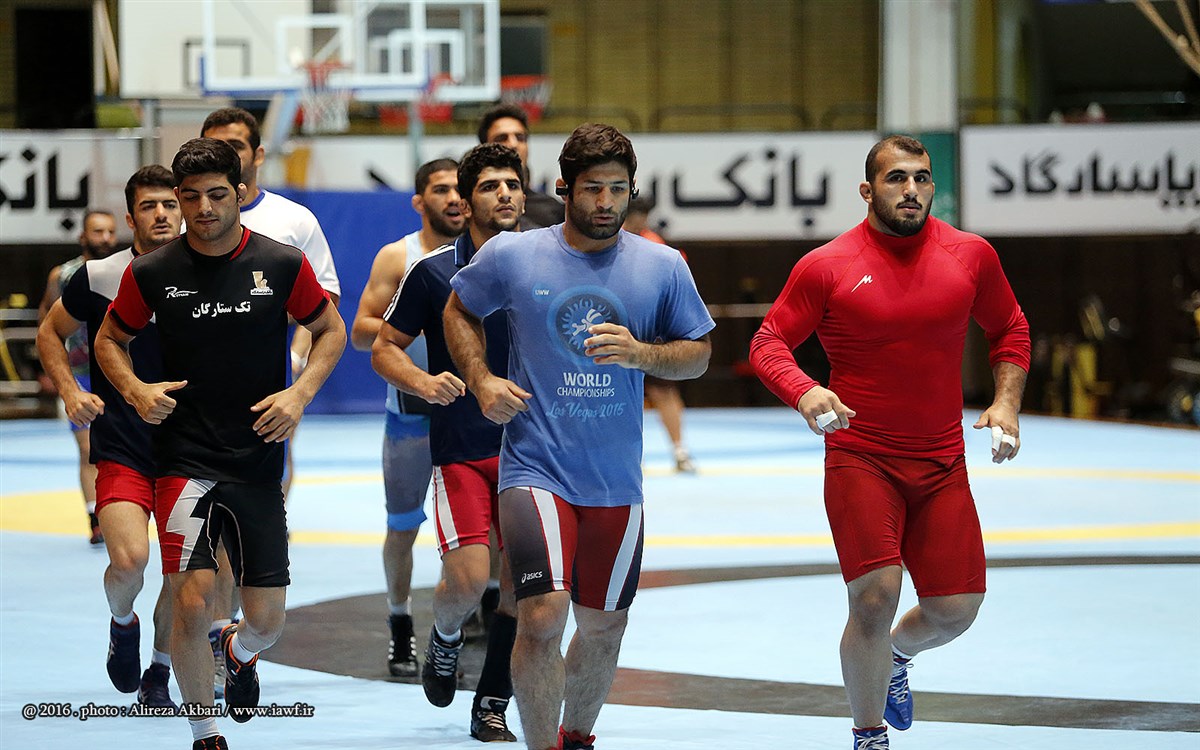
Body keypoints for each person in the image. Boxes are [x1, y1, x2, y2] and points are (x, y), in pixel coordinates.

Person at [749, 135, 1031, 750]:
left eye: (922, 178)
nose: (911, 189)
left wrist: (1006, 400)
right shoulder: (827, 265)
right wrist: (804, 390)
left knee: (956, 610)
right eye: (896, 178)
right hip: (861, 456)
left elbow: (1009, 326)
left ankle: (898, 656)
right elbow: (768, 342)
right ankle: (868, 735)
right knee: (875, 597)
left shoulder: (970, 255)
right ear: (867, 189)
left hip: (942, 461)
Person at [444, 124, 714, 750]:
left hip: (615, 481)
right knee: (542, 615)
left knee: (603, 627)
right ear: (565, 188)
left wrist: (643, 353)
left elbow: (698, 354)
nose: (606, 202)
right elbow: (459, 309)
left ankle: (576, 738)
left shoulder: (662, 265)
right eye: (593, 188)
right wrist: (481, 379)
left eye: (618, 189)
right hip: (535, 467)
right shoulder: (513, 255)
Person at [94, 138, 346, 750]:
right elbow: (107, 339)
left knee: (267, 621)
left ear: (240, 193)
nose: (202, 208)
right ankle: (204, 732)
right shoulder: (152, 272)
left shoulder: (281, 263)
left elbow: (330, 329)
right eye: (190, 197)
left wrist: (300, 395)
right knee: (191, 602)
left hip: (257, 460)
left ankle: (238, 650)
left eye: (215, 195)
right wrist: (134, 390)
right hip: (184, 461)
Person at [373, 142, 527, 742]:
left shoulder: (548, 262)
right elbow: (383, 346)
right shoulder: (433, 271)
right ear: (466, 200)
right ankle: (443, 636)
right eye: (490, 185)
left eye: (512, 183)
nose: (505, 194)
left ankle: (491, 704)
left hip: (535, 454)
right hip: (461, 450)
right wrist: (421, 381)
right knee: (466, 579)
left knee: (524, 588)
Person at [200, 106, 342, 693]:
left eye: (236, 145)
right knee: (209, 520)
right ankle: (214, 633)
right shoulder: (189, 216)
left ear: (257, 155)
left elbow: (324, 301)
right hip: (196, 392)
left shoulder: (292, 221)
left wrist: (297, 365)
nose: (226, 155)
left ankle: (234, 628)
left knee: (250, 507)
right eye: (214, 145)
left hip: (269, 384)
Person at [36, 167, 182, 708]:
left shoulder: (211, 274)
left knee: (186, 576)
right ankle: (123, 622)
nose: (161, 214)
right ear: (130, 217)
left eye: (170, 203)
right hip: (122, 444)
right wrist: (70, 391)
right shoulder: (98, 276)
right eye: (149, 206)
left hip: (191, 450)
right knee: (128, 561)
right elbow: (49, 331)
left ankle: (160, 673)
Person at [350, 157, 465, 678]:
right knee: (402, 526)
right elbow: (360, 331)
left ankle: (471, 616)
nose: (453, 198)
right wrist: (416, 326)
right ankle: (400, 625)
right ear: (419, 201)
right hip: (412, 414)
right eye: (440, 190)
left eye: (459, 189)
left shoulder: (488, 252)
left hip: (471, 415)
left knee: (479, 529)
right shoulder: (400, 256)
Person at [37, 209, 119, 544]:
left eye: (110, 231)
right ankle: (95, 518)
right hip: (79, 373)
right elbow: (47, 321)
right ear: (83, 236)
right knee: (87, 448)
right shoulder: (64, 275)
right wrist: (51, 371)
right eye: (98, 231)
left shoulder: (125, 271)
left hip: (118, 372)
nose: (105, 238)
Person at [621, 196, 696, 473]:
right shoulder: (608, 243)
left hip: (654, 333)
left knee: (664, 392)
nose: (637, 223)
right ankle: (626, 455)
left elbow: (675, 287)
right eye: (633, 218)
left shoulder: (657, 246)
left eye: (641, 218)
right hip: (620, 330)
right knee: (619, 394)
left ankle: (680, 451)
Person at [477, 103, 563, 229]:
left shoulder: (553, 210)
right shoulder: (473, 210)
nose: (513, 144)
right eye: (502, 138)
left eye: (520, 138)